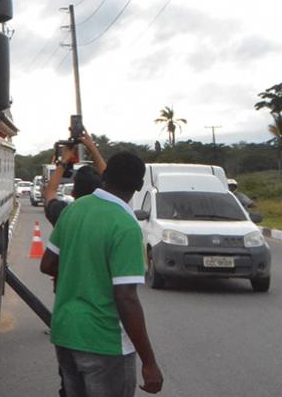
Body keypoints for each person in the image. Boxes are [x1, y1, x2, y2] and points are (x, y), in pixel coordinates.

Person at [41, 150, 163, 396]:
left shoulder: (74, 210)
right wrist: (149, 361)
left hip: (66, 334)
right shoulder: (125, 226)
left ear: (104, 175)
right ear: (139, 186)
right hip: (104, 342)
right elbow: (126, 297)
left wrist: (81, 267)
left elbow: (47, 265)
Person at [43, 131, 108, 227]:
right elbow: (108, 180)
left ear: (73, 193)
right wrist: (92, 148)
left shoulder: (63, 214)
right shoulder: (108, 217)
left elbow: (50, 192)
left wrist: (63, 162)